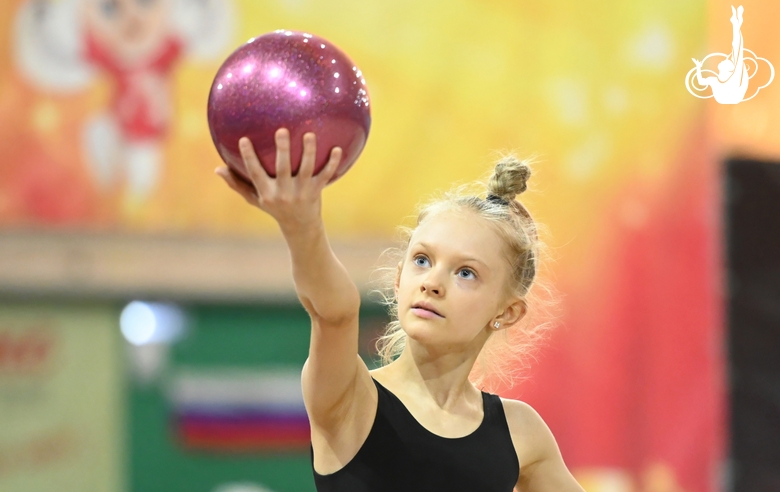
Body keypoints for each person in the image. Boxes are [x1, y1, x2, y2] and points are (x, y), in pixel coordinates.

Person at [215, 129, 585, 491]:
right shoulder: (350, 397)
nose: (432, 282)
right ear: (398, 278)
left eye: (466, 272)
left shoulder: (520, 433)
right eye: (422, 260)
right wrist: (302, 226)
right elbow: (335, 312)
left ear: (507, 312)